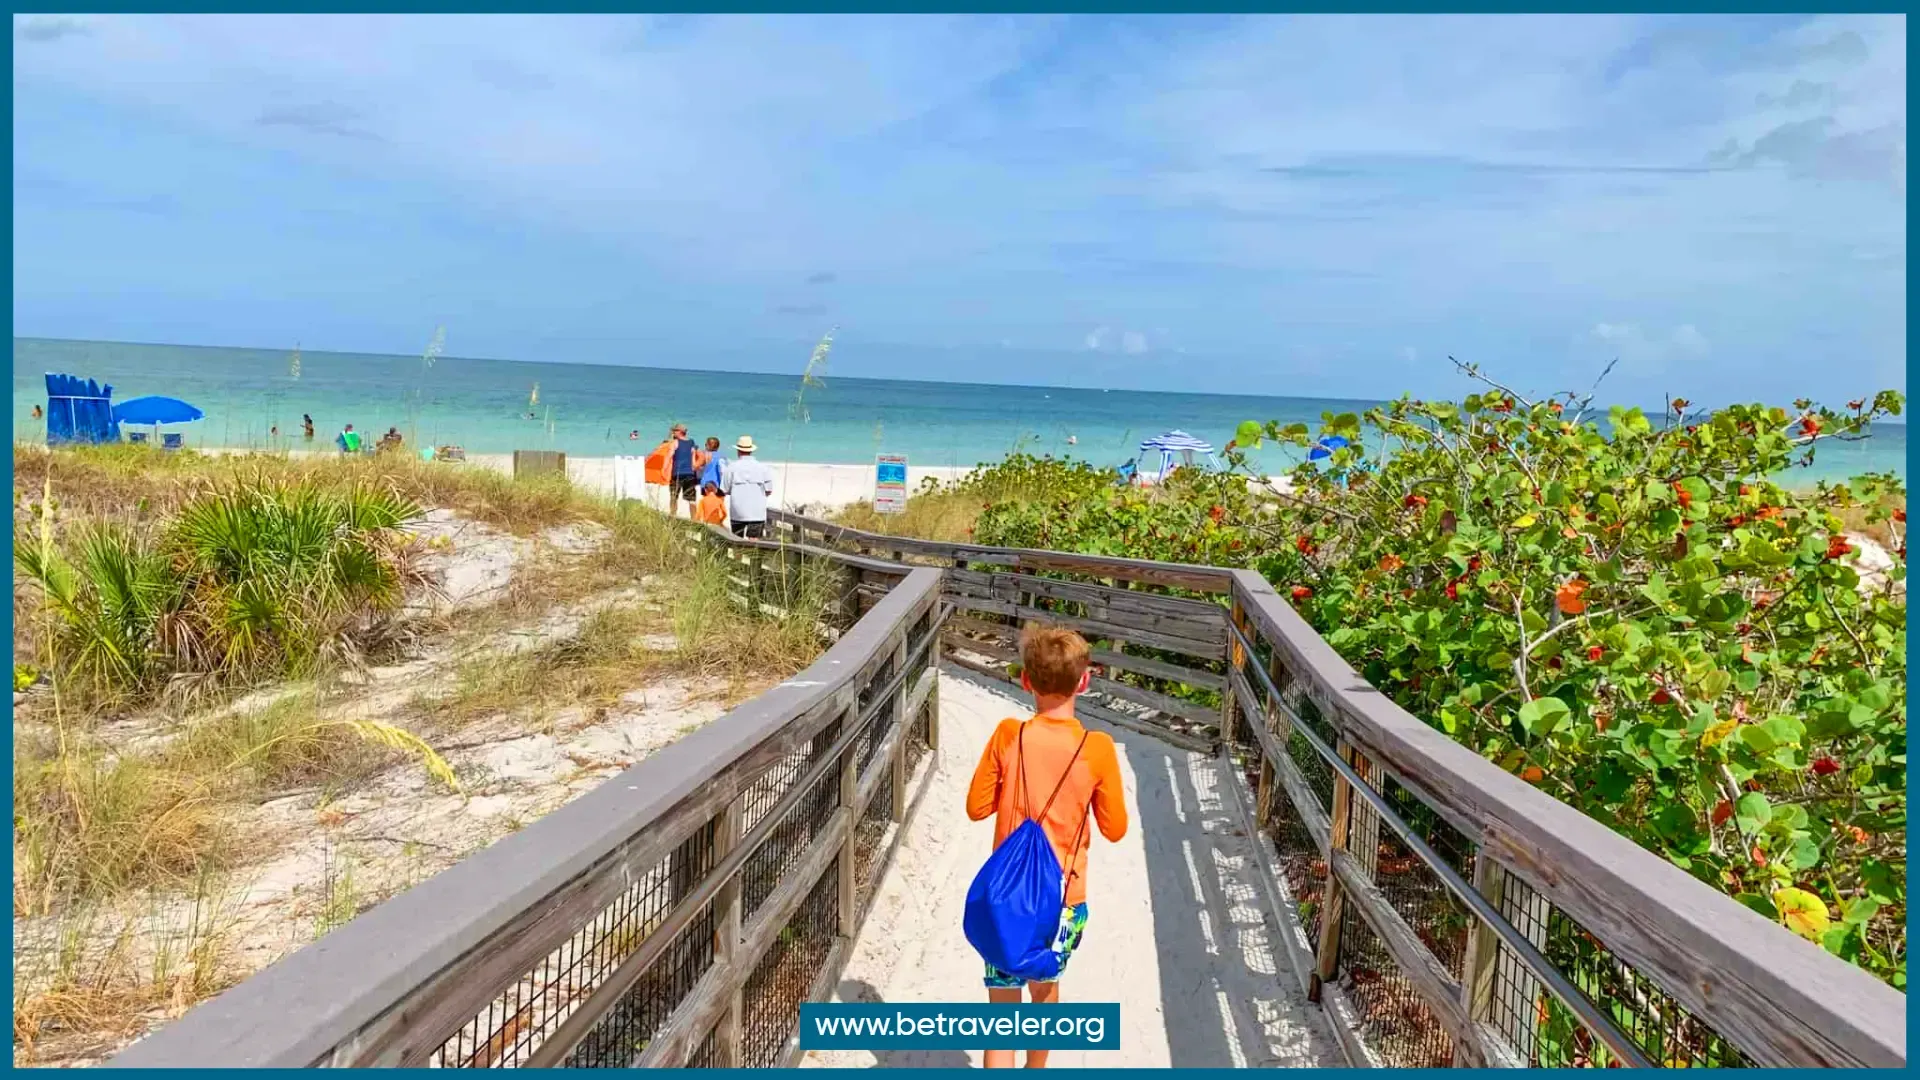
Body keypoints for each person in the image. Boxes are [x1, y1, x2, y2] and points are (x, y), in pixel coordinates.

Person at [966, 624, 1127, 1070]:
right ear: (1085, 681)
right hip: (1062, 904)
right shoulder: (1097, 749)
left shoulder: (1007, 735)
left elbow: (977, 808)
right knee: (1044, 996)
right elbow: (1115, 829)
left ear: (1025, 680)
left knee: (1001, 1014)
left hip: (1006, 903)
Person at [720, 435, 774, 538]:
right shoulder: (762, 468)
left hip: (737, 511)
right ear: (751, 450)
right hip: (757, 512)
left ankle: (738, 554)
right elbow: (769, 490)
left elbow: (724, 490)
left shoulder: (731, 467)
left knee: (737, 540)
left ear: (738, 451)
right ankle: (752, 555)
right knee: (753, 541)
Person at [667, 423, 699, 517]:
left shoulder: (675, 442)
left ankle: (673, 515)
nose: (673, 433)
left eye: (674, 431)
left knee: (673, 496)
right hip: (690, 473)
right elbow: (693, 456)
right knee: (692, 499)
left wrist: (665, 469)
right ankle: (694, 519)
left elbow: (669, 456)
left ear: (679, 432)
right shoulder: (691, 442)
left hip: (677, 473)